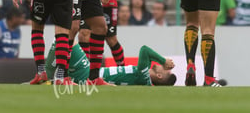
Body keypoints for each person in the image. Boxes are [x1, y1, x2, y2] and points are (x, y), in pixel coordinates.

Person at [45, 43, 176, 86]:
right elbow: (147, 54)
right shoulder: (145, 71)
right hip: (90, 74)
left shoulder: (144, 78)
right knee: (65, 40)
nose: (165, 67)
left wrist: (163, 61)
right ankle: (53, 77)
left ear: (159, 75)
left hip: (87, 74)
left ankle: (49, 76)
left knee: (66, 37)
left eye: (166, 71)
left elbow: (144, 49)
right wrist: (162, 62)